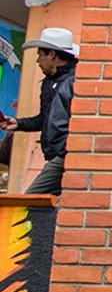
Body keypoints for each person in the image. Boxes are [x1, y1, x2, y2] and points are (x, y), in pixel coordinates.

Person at [2, 27, 79, 194]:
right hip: (57, 157)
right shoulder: (49, 82)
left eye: (40, 54)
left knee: (31, 201)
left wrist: (64, 150)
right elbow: (45, 119)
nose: (38, 60)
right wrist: (19, 123)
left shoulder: (75, 81)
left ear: (51, 54)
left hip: (65, 156)